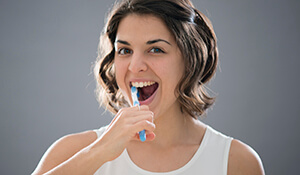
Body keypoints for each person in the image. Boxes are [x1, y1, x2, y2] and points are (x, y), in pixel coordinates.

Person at [32, 0, 265, 174]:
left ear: (190, 60)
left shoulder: (236, 162)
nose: (135, 66)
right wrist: (98, 153)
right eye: (124, 50)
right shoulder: (71, 153)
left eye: (156, 49)